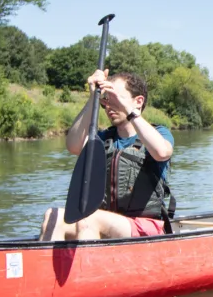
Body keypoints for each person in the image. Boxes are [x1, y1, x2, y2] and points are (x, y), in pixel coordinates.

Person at [40, 69, 175, 241]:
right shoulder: (104, 139)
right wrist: (93, 97)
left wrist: (130, 112)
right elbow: (73, 145)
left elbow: (162, 152)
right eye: (106, 99)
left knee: (88, 220)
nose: (109, 105)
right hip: (104, 221)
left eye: (116, 97)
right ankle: (45, 264)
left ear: (138, 101)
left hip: (146, 226)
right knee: (54, 215)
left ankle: (89, 264)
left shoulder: (160, 133)